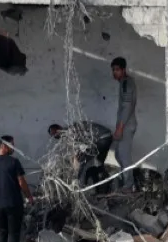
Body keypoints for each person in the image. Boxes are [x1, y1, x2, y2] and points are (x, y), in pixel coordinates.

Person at [48, 122, 113, 188]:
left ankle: (80, 185)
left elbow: (80, 147)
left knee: (82, 160)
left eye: (55, 132)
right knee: (98, 162)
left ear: (59, 127)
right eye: (53, 134)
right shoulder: (70, 130)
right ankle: (104, 178)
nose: (55, 134)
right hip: (105, 136)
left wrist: (76, 160)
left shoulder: (70, 131)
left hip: (103, 138)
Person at [110, 58, 138, 186]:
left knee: (124, 156)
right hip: (124, 125)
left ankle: (128, 186)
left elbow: (127, 107)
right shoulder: (124, 83)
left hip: (126, 125)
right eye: (113, 70)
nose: (114, 73)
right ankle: (126, 181)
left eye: (117, 70)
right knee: (118, 155)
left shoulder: (127, 83)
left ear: (123, 70)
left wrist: (120, 128)